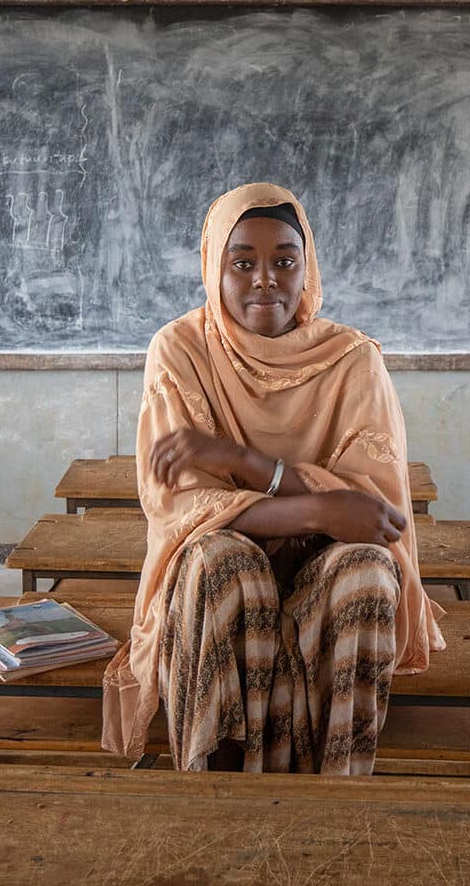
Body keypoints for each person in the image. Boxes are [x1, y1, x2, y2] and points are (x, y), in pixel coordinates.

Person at [100, 182, 445, 775]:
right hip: (220, 576)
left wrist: (250, 465)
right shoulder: (181, 350)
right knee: (220, 562)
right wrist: (318, 507)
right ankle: (219, 794)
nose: (265, 279)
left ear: (306, 269)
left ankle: (336, 803)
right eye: (243, 262)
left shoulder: (351, 360)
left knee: (367, 570)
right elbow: (185, 507)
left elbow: (375, 514)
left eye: (285, 260)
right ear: (214, 266)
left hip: (325, 568)